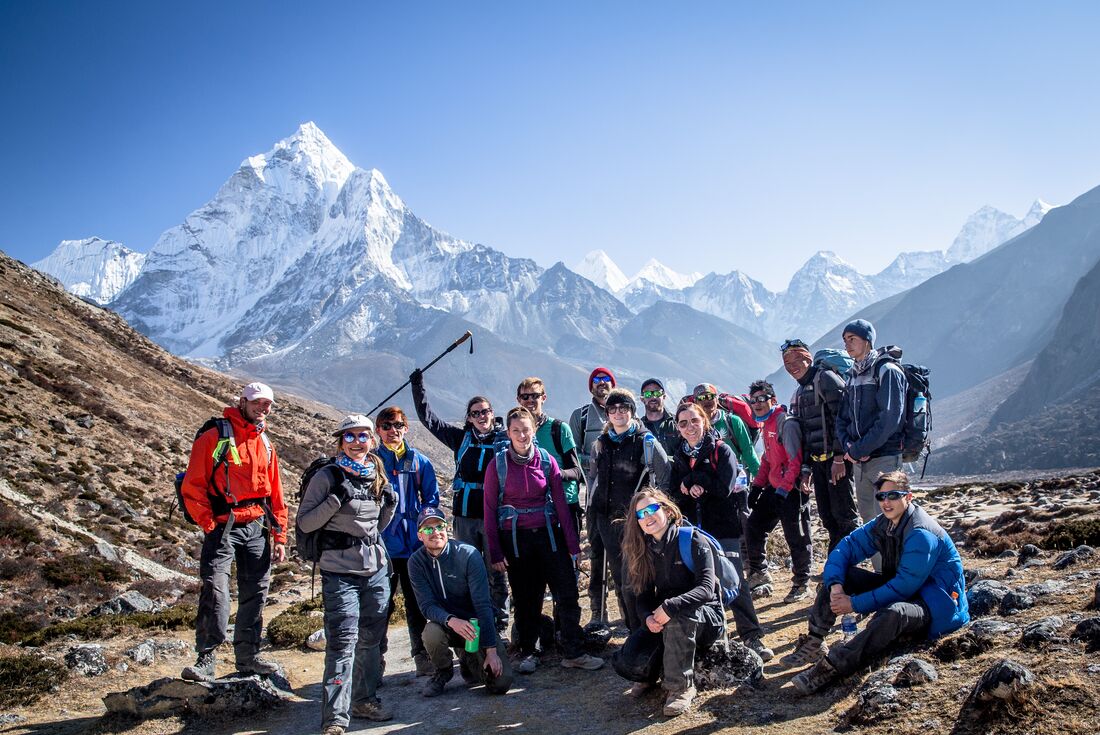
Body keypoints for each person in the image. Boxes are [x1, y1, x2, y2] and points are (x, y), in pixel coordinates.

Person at [781, 471, 969, 694]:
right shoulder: (884, 524)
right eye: (881, 497)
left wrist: (854, 604)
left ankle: (831, 666)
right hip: (905, 590)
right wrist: (836, 586)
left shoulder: (921, 533)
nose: (886, 502)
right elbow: (847, 547)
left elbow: (904, 587)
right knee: (843, 576)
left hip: (935, 605)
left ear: (908, 497)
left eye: (893, 495)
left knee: (893, 613)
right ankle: (814, 640)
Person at [179, 382, 288, 682]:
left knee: (256, 593)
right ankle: (206, 658)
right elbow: (193, 484)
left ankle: (248, 657)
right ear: (242, 402)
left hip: (257, 527)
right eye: (256, 403)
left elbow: (276, 494)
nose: (262, 408)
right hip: (223, 525)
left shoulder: (265, 442)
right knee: (215, 591)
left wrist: (279, 535)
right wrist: (208, 522)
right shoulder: (215, 435)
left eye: (267, 404)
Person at [484, 406, 605, 674]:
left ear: (533, 430)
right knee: (527, 598)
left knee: (567, 593)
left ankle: (573, 651)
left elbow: (561, 505)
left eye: (526, 429)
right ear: (508, 433)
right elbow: (489, 510)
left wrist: (573, 546)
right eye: (516, 430)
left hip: (550, 537)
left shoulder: (547, 460)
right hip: (516, 541)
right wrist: (494, 551)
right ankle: (530, 651)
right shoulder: (498, 465)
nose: (522, 435)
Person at [296, 415, 398, 731]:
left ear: (372, 440)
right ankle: (335, 717)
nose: (357, 442)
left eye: (363, 436)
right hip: (339, 571)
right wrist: (336, 499)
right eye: (350, 437)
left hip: (375, 568)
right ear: (341, 441)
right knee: (342, 642)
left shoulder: (376, 471)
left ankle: (364, 700)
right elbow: (306, 523)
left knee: (371, 639)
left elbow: (375, 527)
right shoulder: (328, 477)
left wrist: (390, 507)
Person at [667, 402, 773, 662]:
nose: (690, 427)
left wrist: (693, 480)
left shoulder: (721, 450)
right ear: (678, 429)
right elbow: (673, 492)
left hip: (723, 527)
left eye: (694, 420)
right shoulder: (678, 455)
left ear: (704, 420)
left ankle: (752, 636)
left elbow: (724, 487)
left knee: (733, 580)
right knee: (700, 583)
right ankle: (712, 636)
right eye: (683, 423)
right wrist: (689, 486)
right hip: (693, 529)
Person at [411, 369, 510, 633]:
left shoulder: (504, 440)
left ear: (492, 413)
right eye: (476, 413)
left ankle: (499, 626)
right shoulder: (460, 439)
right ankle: (472, 622)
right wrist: (418, 387)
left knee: (496, 571)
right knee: (465, 570)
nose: (481, 416)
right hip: (465, 516)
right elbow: (429, 420)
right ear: (469, 417)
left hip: (492, 517)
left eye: (485, 411)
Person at [613, 489, 726, 717]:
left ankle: (681, 687)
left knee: (678, 616)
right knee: (628, 661)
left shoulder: (693, 539)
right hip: (667, 616)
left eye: (652, 509)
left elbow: (706, 589)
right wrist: (647, 618)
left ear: (666, 509)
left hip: (707, 618)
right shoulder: (644, 550)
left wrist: (669, 607)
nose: (647, 517)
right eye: (641, 514)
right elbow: (643, 597)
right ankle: (650, 675)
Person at [408, 507, 513, 698]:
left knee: (501, 683)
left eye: (439, 526)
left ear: (447, 528)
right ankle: (443, 671)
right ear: (419, 536)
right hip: (447, 626)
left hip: (475, 627)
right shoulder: (416, 563)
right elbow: (427, 606)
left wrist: (491, 651)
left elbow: (482, 605)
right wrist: (451, 620)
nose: (435, 533)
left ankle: (468, 658)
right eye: (428, 529)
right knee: (430, 632)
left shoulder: (468, 555)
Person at [587, 388, 670, 629]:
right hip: (607, 521)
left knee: (638, 576)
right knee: (621, 576)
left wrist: (654, 512)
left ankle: (645, 628)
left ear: (632, 411)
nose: (618, 413)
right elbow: (594, 479)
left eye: (624, 408)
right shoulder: (601, 444)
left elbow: (664, 476)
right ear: (607, 413)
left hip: (637, 521)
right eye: (612, 409)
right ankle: (633, 628)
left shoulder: (646, 442)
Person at [835, 319, 907, 571]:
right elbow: (841, 419)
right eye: (844, 340)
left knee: (891, 518)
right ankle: (881, 576)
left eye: (852, 339)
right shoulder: (852, 375)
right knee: (870, 521)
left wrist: (858, 449)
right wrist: (849, 447)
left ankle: (899, 580)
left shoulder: (887, 370)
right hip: (860, 462)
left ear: (867, 340)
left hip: (884, 458)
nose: (847, 344)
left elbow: (890, 418)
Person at [375, 406, 440, 678]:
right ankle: (375, 659)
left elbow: (432, 500)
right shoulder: (373, 461)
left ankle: (421, 655)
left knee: (416, 602)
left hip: (413, 546)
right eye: (387, 426)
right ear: (378, 430)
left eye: (398, 425)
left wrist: (423, 529)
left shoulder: (419, 462)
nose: (393, 431)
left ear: (406, 428)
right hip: (382, 546)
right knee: (381, 604)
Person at [782, 339, 859, 553]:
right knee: (827, 516)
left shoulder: (825, 379)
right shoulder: (803, 389)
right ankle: (837, 567)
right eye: (787, 363)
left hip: (837, 461)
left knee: (844, 515)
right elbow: (808, 434)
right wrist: (806, 470)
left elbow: (842, 419)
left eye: (796, 359)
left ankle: (848, 566)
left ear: (808, 357)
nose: (792, 366)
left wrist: (838, 458)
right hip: (818, 463)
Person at [744, 380, 814, 602]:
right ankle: (759, 574)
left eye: (761, 399)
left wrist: (784, 490)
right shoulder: (767, 424)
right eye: (753, 400)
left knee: (797, 537)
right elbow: (767, 459)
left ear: (772, 400)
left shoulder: (786, 423)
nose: (757, 404)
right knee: (754, 526)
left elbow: (796, 461)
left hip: (791, 490)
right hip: (775, 488)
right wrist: (757, 485)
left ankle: (802, 583)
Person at [568, 366, 614, 622]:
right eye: (597, 380)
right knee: (597, 555)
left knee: (624, 556)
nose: (602, 383)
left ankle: (630, 614)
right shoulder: (581, 416)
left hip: (622, 497)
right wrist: (596, 460)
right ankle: (598, 612)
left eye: (606, 379)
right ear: (591, 386)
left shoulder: (624, 410)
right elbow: (573, 454)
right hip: (593, 495)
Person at [517, 377, 584, 535]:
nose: (530, 400)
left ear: (543, 398)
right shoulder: (516, 432)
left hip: (564, 505)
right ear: (518, 400)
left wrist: (554, 473)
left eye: (535, 395)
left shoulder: (559, 429)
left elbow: (576, 471)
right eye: (525, 397)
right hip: (533, 508)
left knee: (569, 558)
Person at [691, 382, 760, 479]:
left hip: (735, 480)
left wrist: (762, 481)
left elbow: (749, 453)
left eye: (710, 396)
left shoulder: (733, 422)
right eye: (702, 398)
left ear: (716, 398)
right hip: (706, 482)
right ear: (696, 402)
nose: (707, 400)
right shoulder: (693, 426)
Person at [639, 377, 679, 456]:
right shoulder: (639, 428)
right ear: (642, 399)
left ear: (664, 396)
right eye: (647, 394)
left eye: (657, 393)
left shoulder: (678, 422)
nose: (653, 397)